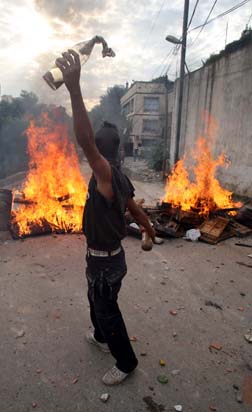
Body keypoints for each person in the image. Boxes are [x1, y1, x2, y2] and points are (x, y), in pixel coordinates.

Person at [56, 50, 156, 386]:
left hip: (106, 263)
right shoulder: (119, 174)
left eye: (94, 151)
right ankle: (100, 336)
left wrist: (73, 89)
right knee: (95, 300)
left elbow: (84, 141)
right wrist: (147, 226)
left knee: (107, 309)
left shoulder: (105, 174)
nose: (90, 154)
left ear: (100, 151)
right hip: (105, 258)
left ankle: (126, 362)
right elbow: (133, 206)